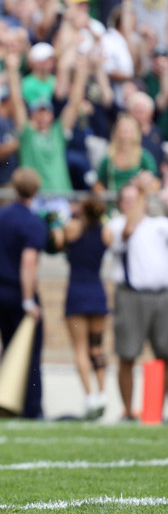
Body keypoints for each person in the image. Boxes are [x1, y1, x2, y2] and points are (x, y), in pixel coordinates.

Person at [0, 167, 47, 419]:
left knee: (8, 345)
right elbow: (28, 263)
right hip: (18, 291)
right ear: (35, 190)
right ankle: (31, 408)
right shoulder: (33, 222)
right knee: (30, 350)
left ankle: (6, 403)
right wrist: (28, 300)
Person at [103, 177, 168, 422]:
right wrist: (141, 192)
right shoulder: (117, 224)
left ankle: (156, 410)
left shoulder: (159, 224)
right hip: (131, 295)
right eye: (128, 198)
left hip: (162, 295)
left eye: (136, 197)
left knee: (165, 353)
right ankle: (128, 410)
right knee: (127, 353)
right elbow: (128, 231)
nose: (134, 202)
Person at [52, 195, 109, 420]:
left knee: (80, 348)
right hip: (97, 291)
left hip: (76, 292)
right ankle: (103, 393)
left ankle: (89, 396)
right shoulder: (106, 232)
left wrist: (56, 222)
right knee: (97, 347)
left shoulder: (72, 228)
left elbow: (57, 242)